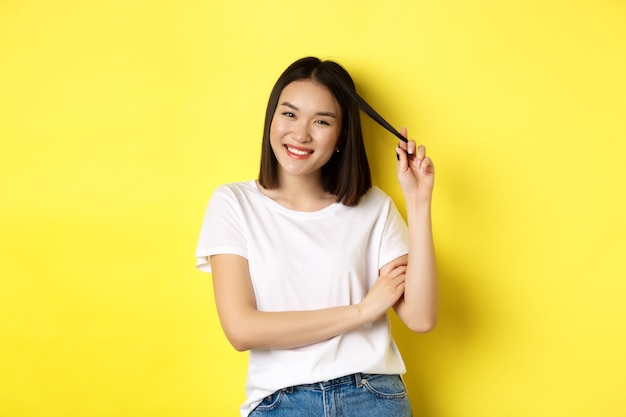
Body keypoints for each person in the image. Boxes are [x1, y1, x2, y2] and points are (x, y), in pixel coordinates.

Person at [195, 56, 438, 417]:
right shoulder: (233, 204)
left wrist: (418, 202)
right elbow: (241, 329)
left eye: (321, 121)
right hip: (281, 402)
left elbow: (420, 318)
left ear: (341, 136)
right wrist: (361, 311)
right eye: (289, 114)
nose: (301, 134)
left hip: (372, 397)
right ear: (271, 120)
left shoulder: (373, 207)